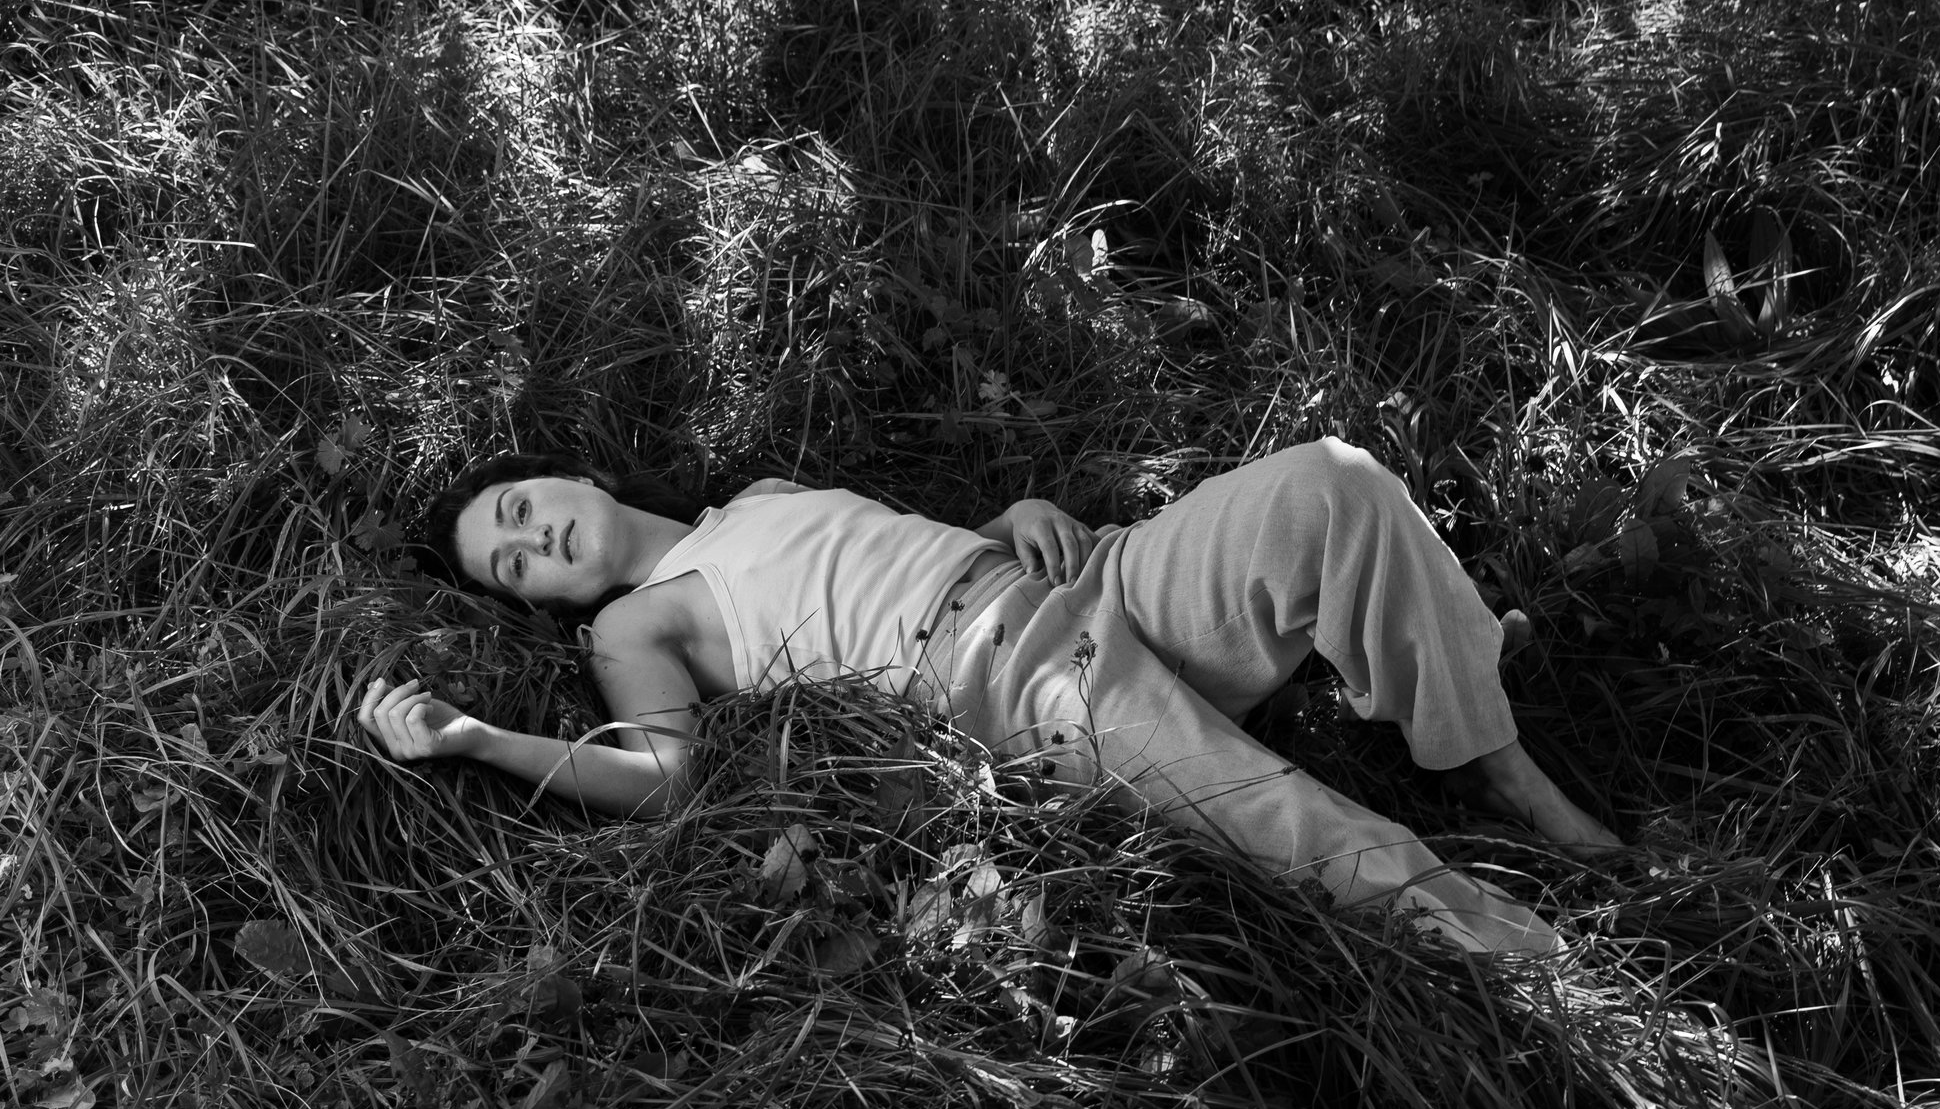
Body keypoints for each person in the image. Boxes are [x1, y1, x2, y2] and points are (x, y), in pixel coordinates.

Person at [357, 438, 1618, 953]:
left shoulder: (746, 501)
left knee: (1331, 485)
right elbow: (661, 778)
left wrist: (1004, 517)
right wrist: (479, 738)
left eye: (520, 510)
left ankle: (1484, 743)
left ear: (567, 475)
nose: (534, 541)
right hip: (1021, 680)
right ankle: (1548, 966)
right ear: (545, 604)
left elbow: (872, 562)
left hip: (1095, 580)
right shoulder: (637, 623)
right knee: (1300, 826)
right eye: (510, 566)